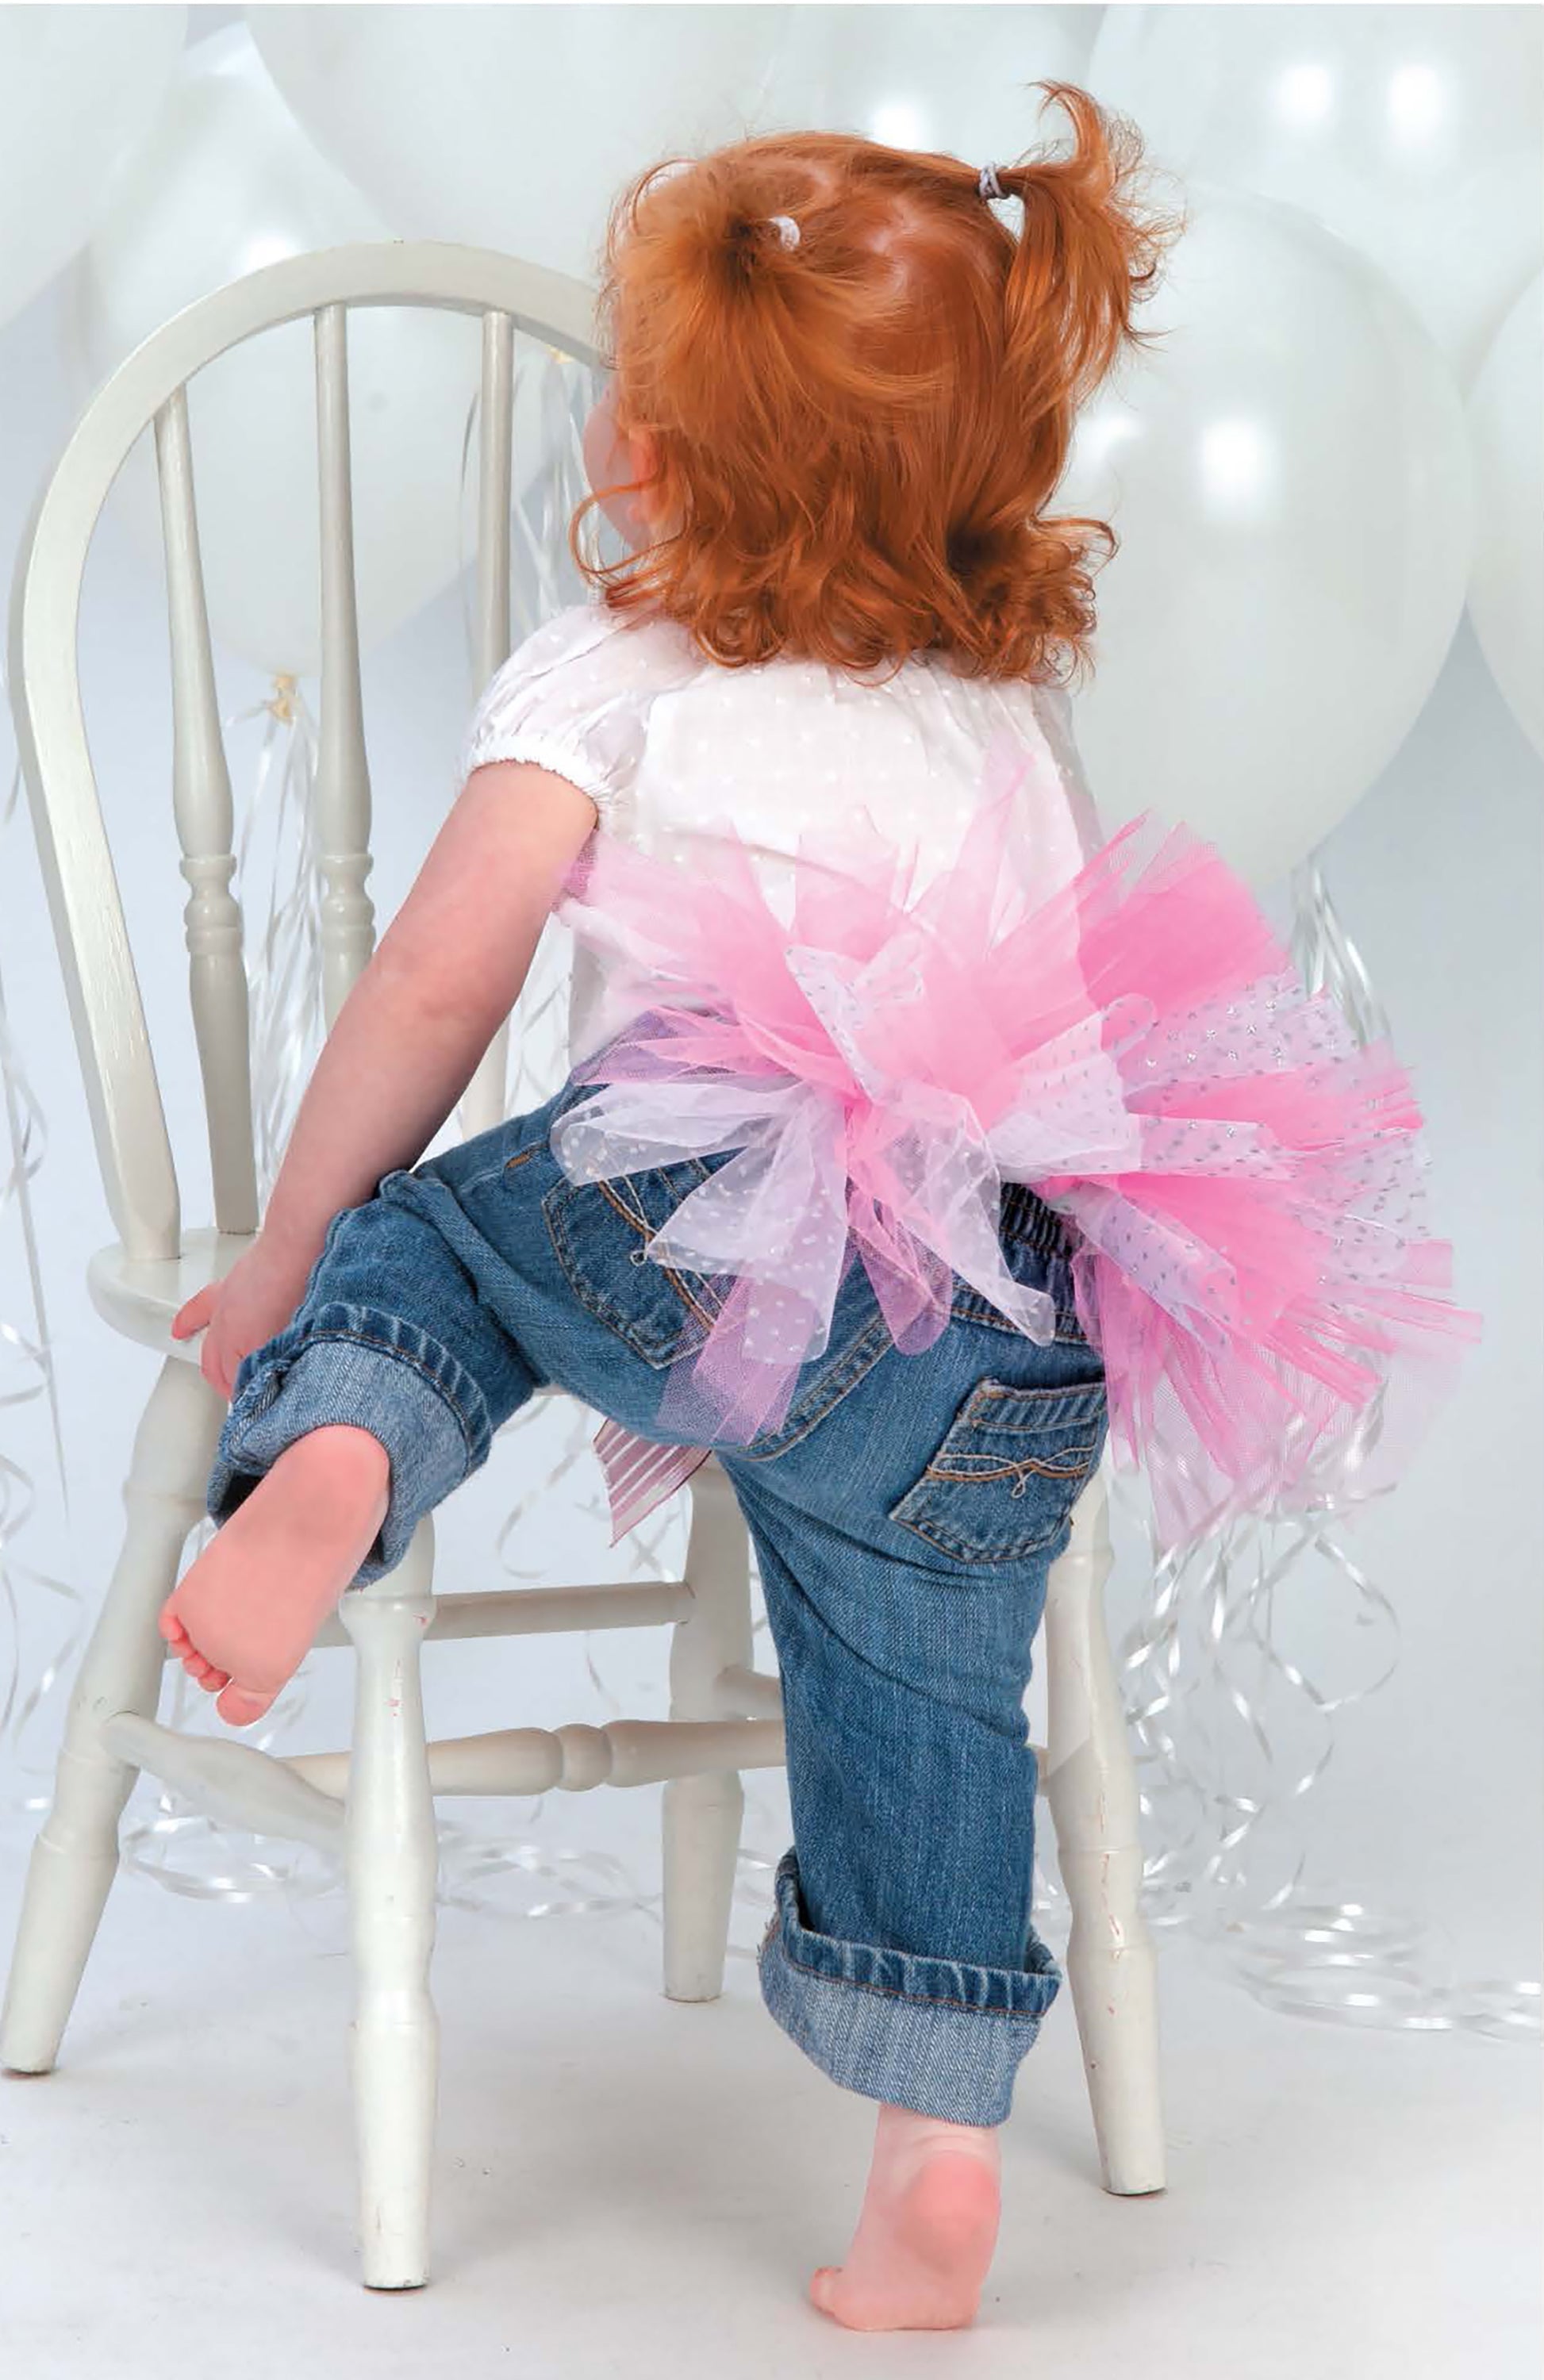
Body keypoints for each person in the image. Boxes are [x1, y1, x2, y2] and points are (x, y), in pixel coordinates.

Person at [158, 86, 1476, 2331]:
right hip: (1003, 1285)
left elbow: (428, 981)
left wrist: (288, 1248)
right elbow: (1048, 1004)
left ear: (651, 461)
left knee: (446, 1247)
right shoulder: (996, 705)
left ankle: (342, 1457)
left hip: (700, 1205)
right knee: (923, 1706)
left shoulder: (615, 674)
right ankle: (937, 2162)